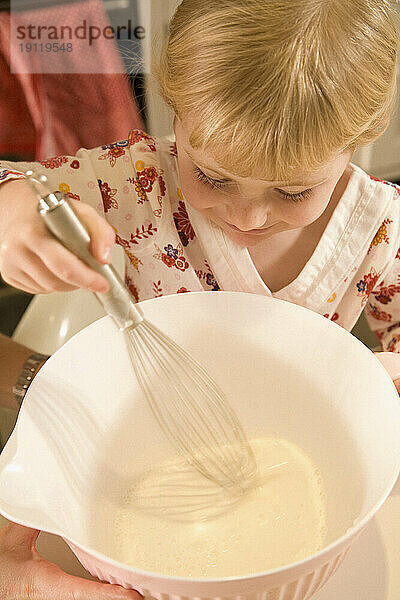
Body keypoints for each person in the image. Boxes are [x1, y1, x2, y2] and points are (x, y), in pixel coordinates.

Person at [0, 0, 400, 597]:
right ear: (176, 113)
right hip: (142, 446)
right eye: (212, 176)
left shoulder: (377, 232)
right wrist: (14, 214)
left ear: (359, 140)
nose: (249, 214)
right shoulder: (133, 182)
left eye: (293, 190)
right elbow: (19, 188)